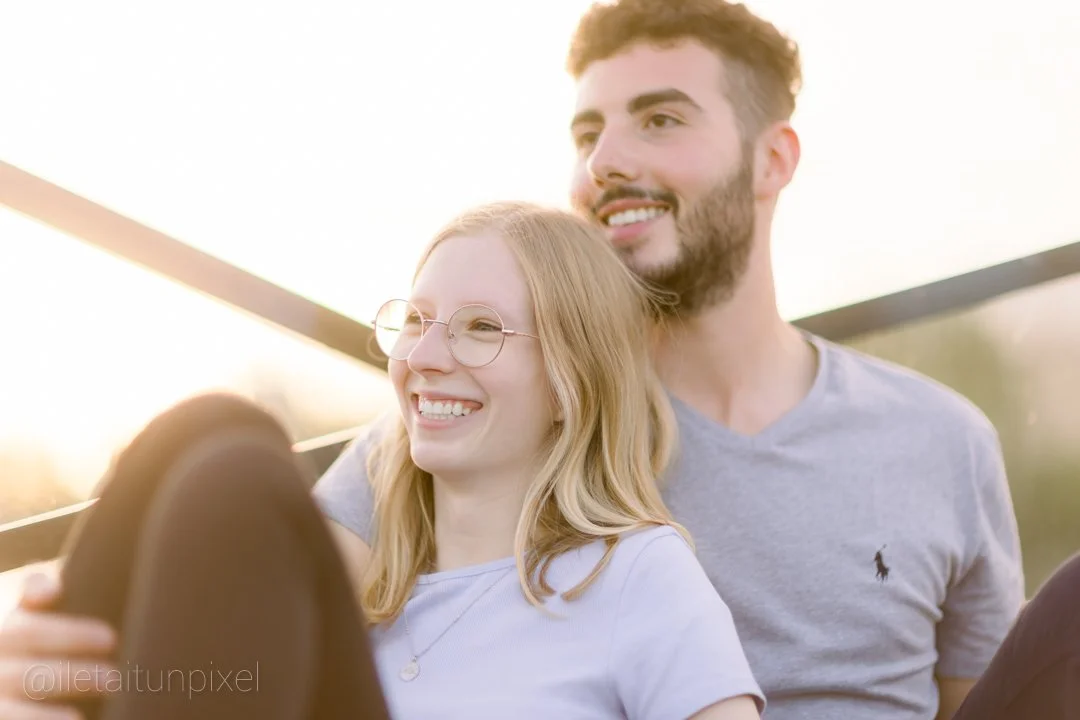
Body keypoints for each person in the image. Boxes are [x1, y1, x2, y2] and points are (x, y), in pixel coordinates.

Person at [0, 0, 1040, 718]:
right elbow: (237, 591)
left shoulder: (939, 443)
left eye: (660, 118)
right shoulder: (488, 426)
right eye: (589, 130)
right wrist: (39, 641)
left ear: (774, 159)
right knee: (220, 441)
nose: (607, 160)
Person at [0, 201, 766, 720]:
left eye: (479, 329)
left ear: (570, 381)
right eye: (418, 320)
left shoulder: (637, 575)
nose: (425, 356)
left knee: (242, 468)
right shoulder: (362, 597)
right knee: (207, 428)